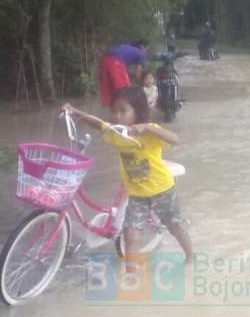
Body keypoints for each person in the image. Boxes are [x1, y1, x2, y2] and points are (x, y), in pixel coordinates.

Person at [63, 85, 193, 264]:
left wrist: (148, 127)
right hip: (137, 196)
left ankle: (190, 256)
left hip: (162, 190)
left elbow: (176, 140)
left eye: (123, 111)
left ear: (138, 111)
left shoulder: (150, 132)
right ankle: (132, 274)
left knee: (175, 226)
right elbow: (97, 123)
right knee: (130, 235)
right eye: (114, 111)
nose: (116, 115)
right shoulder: (117, 134)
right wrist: (74, 111)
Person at [97, 40, 149, 108]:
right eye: (147, 49)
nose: (146, 51)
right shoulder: (140, 53)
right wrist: (141, 84)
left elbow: (125, 71)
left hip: (104, 60)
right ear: (142, 47)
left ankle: (112, 112)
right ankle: (123, 111)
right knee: (124, 91)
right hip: (115, 62)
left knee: (109, 93)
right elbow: (137, 74)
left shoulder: (126, 48)